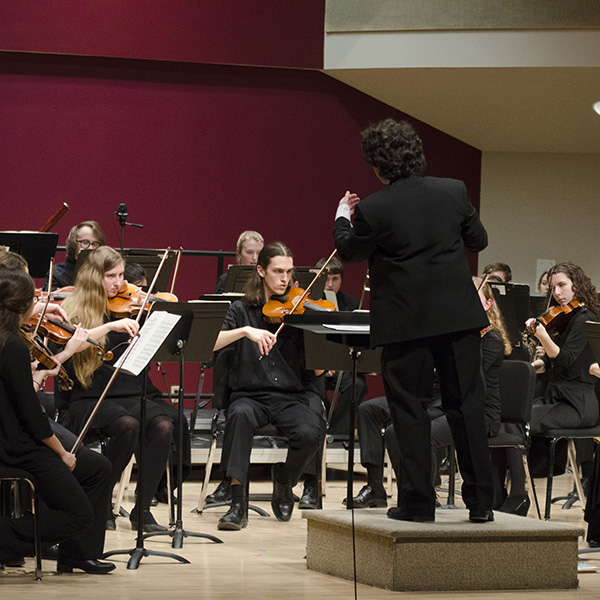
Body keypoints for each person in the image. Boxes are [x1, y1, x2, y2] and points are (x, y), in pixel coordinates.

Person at [334, 118, 494, 523]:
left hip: (406, 325)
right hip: (458, 320)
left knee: (409, 411)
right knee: (466, 407)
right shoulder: (453, 190)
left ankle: (418, 504)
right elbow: (479, 240)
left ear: (378, 165)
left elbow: (350, 252)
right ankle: (481, 505)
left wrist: (341, 216)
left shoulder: (373, 208)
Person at [0, 267, 115, 574]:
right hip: (17, 447)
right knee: (79, 513)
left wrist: (37, 374)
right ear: (23, 306)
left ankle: (77, 555)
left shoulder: (9, 342)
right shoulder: (11, 345)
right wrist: (62, 452)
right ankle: (6, 541)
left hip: (13, 437)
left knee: (97, 468)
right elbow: (31, 417)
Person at [59, 246, 174, 532]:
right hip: (88, 396)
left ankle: (142, 508)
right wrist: (110, 327)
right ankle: (100, 498)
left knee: (162, 423)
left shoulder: (129, 306)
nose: (119, 283)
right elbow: (70, 345)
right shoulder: (73, 308)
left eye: (121, 275)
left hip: (127, 392)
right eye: (110, 275)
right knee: (127, 425)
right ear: (92, 277)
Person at [211, 242, 324, 530]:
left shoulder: (299, 310)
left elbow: (319, 367)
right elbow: (210, 343)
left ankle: (284, 479)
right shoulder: (239, 310)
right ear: (261, 271)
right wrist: (244, 331)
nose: (284, 279)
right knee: (239, 415)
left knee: (312, 431)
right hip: (250, 396)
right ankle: (238, 504)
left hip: (290, 397)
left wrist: (322, 343)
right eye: (277, 271)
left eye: (288, 272)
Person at [527, 262, 600, 434]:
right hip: (556, 396)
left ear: (577, 285)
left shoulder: (585, 318)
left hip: (577, 403)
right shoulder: (567, 318)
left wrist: (542, 335)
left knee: (524, 419)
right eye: (553, 287)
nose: (557, 293)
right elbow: (548, 362)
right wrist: (530, 368)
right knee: (515, 413)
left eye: (562, 285)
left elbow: (564, 359)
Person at [314, 256, 368, 436]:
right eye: (326, 279)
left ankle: (337, 434)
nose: (330, 284)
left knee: (358, 384)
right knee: (313, 385)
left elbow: (354, 341)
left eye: (335, 279)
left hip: (341, 367)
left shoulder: (352, 304)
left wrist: (338, 364)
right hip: (315, 367)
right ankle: (322, 430)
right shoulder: (307, 303)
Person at [43, 220, 106, 291]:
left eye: (95, 244)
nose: (91, 248)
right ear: (74, 243)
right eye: (85, 242)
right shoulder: (57, 273)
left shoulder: (106, 271)